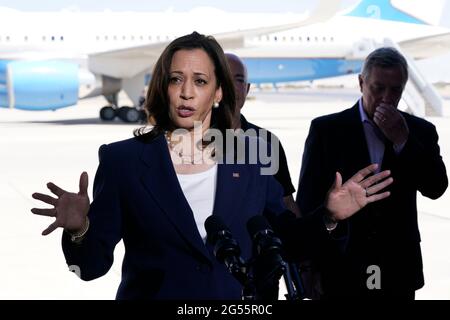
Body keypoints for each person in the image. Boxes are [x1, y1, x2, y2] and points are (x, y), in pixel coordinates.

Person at [31, 32, 393, 300]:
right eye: (176, 79)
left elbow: (284, 244)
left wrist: (327, 216)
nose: (187, 92)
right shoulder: (123, 160)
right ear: (163, 86)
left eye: (200, 81)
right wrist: (79, 230)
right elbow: (91, 267)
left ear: (218, 92)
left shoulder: (250, 156)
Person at [296, 47, 448, 300]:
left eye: (395, 90)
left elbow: (436, 187)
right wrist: (307, 266)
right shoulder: (327, 130)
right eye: (378, 88)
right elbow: (307, 201)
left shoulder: (420, 131)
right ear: (361, 83)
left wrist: (403, 142)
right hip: (340, 265)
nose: (386, 98)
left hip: (397, 268)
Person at [225, 52, 299, 216]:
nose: (231, 87)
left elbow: (286, 202)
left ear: (247, 88)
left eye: (238, 80)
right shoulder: (193, 140)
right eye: (223, 79)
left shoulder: (267, 142)